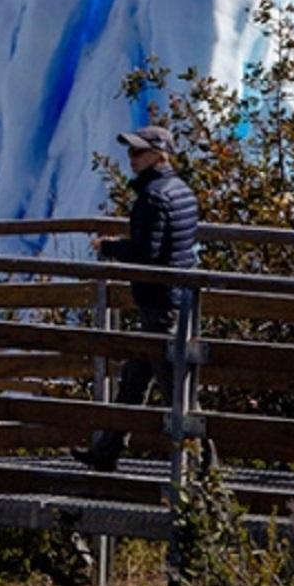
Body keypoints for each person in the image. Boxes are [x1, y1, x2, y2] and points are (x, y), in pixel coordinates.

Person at [75, 124, 200, 471]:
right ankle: (105, 453)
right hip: (174, 299)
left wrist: (110, 247)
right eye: (131, 151)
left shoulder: (153, 197)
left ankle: (208, 472)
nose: (131, 158)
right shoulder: (182, 191)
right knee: (134, 379)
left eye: (138, 152)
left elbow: (148, 251)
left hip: (159, 303)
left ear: (159, 154)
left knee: (177, 390)